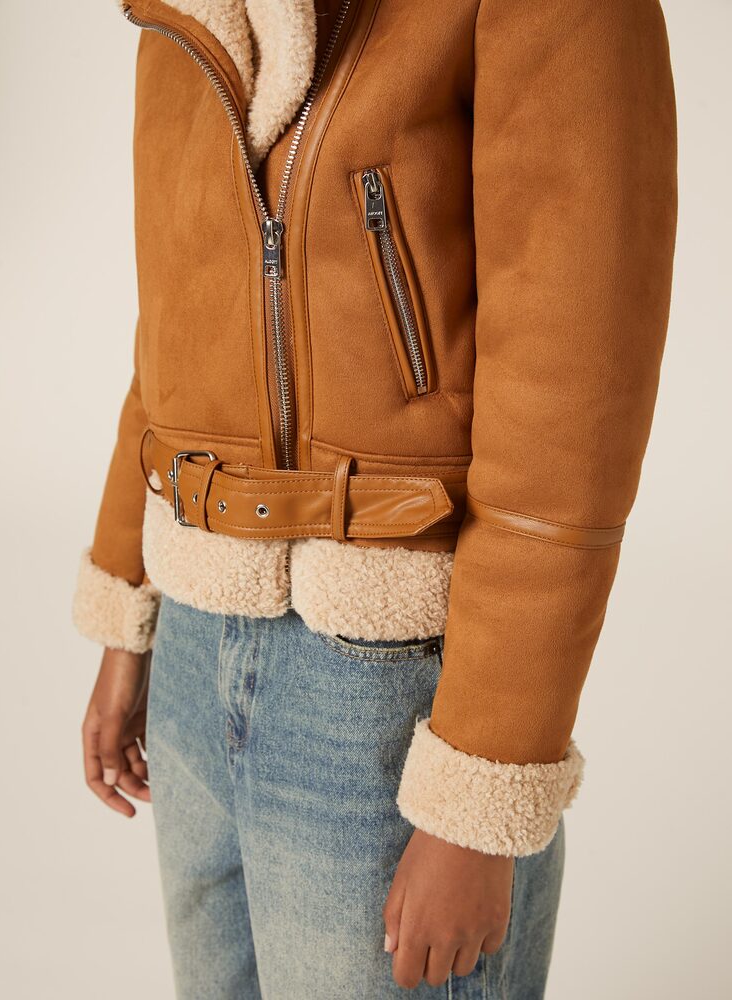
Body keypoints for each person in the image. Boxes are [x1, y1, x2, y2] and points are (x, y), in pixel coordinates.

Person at [74, 1, 677, 996]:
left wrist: (478, 789)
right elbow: (176, 327)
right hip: (189, 641)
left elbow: (571, 411)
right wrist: (126, 606)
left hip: (388, 684)